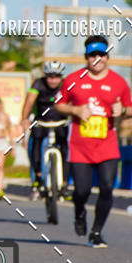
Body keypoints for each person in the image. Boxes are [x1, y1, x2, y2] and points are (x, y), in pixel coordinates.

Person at [55, 35, 132, 248]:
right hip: (80, 145)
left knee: (107, 187)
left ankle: (96, 232)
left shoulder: (118, 82)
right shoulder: (72, 80)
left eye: (101, 55)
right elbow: (58, 104)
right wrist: (75, 109)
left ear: (108, 56)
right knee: (82, 191)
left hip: (107, 143)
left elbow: (129, 107)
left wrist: (123, 111)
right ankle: (79, 211)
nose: (97, 59)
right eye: (92, 55)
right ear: (86, 57)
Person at [21, 61, 69, 200]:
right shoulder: (38, 84)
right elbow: (29, 101)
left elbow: (73, 100)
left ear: (61, 77)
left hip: (61, 121)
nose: (53, 80)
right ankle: (38, 177)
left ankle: (64, 184)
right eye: (50, 76)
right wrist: (24, 118)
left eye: (56, 76)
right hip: (41, 121)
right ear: (45, 75)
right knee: (35, 146)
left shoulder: (66, 85)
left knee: (67, 149)